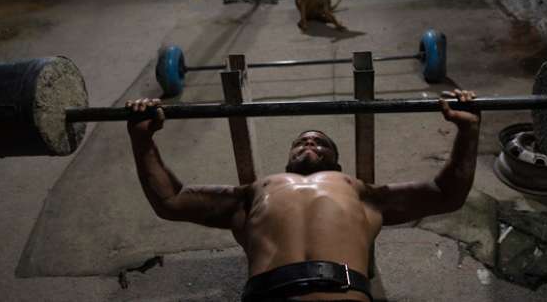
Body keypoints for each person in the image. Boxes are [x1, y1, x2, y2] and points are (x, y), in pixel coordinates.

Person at [126, 90, 480, 302]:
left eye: (320, 142)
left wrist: (468, 130)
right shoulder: (254, 193)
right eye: (302, 141)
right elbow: (171, 199)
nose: (310, 142)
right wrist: (142, 138)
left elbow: (446, 193)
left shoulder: (360, 192)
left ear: (336, 162)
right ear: (288, 156)